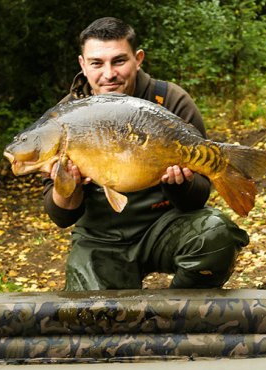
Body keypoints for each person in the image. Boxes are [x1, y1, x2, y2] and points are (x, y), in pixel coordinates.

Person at [43, 17, 249, 291]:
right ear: (82, 64)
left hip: (164, 226)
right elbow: (61, 217)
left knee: (216, 235)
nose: (108, 74)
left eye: (119, 61)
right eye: (96, 63)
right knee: (92, 316)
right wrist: (68, 186)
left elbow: (198, 198)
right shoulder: (64, 118)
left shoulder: (170, 100)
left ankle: (177, 313)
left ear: (138, 58)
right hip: (100, 238)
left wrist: (180, 183)